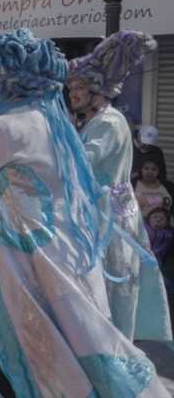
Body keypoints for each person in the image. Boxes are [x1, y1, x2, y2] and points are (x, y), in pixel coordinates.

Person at [0, 28, 168, 396]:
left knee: (30, 342)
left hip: (28, 261)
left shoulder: (6, 126)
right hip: (56, 251)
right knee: (72, 336)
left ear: (9, 76)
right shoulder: (51, 120)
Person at [67, 29, 172, 341]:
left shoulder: (109, 123)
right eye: (71, 87)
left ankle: (115, 350)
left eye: (79, 86)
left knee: (116, 286)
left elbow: (82, 162)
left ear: (97, 88)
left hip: (109, 217)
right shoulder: (95, 121)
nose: (73, 92)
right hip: (100, 214)